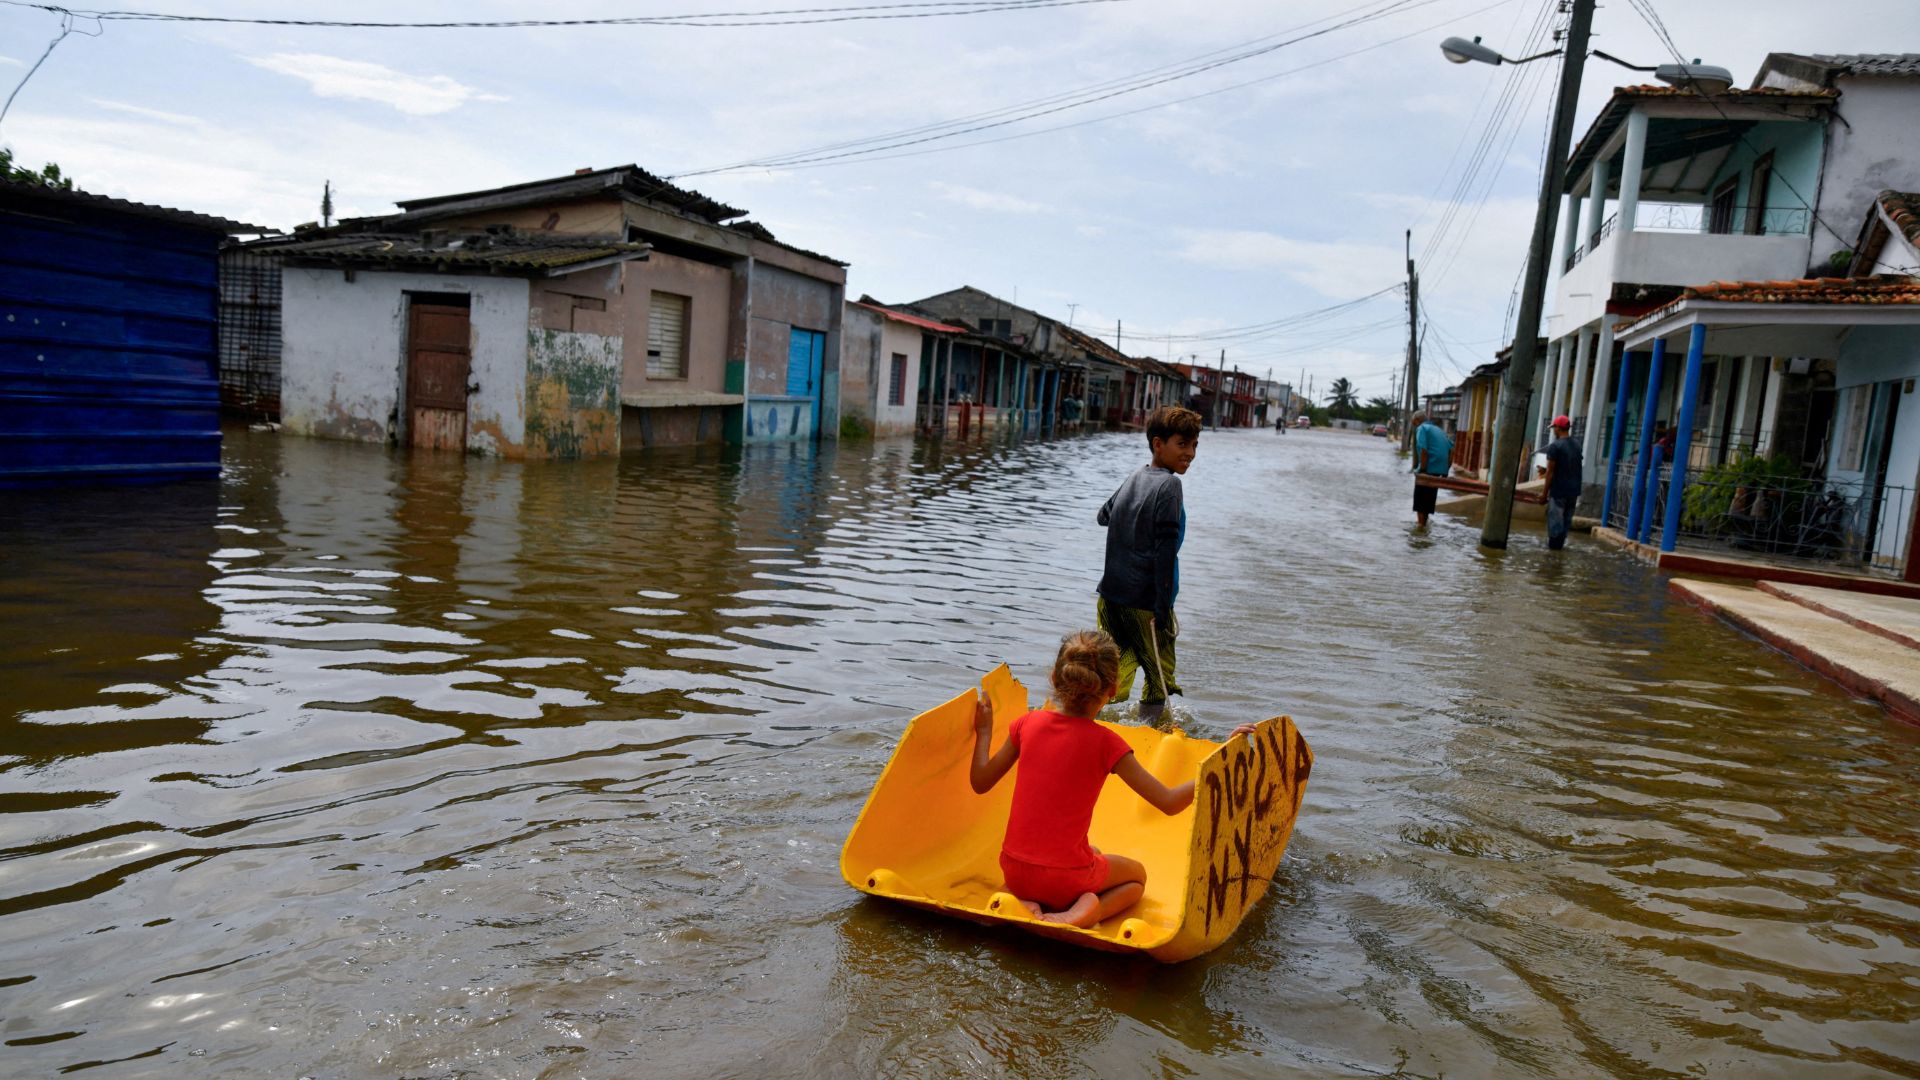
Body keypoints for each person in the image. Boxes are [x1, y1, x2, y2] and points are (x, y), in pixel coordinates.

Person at [970, 631, 1256, 927]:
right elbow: (1169, 803)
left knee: (1092, 852)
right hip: (1065, 879)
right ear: (1113, 690)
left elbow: (980, 782)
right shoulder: (1108, 744)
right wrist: (1219, 764)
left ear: (1055, 678)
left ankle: (1028, 900)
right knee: (1136, 878)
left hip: (1015, 873)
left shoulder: (1026, 725)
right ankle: (1087, 914)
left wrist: (985, 732)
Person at [1096, 405, 1201, 724]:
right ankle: (1149, 738)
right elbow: (1165, 552)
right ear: (1159, 444)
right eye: (1182, 444)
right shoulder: (1170, 486)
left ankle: (1093, 724)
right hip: (1147, 601)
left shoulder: (1135, 476)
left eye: (1195, 445)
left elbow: (1103, 516)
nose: (1191, 454)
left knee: (1114, 668)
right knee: (1159, 677)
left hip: (1110, 597)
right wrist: (1161, 610)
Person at [1540, 414, 1584, 550]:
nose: (1554, 430)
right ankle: (1559, 552)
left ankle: (1552, 555)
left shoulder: (1555, 446)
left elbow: (1550, 473)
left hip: (1559, 491)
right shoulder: (1577, 445)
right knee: (1565, 524)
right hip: (1574, 492)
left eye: (1554, 428)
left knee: (1555, 526)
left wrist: (1544, 494)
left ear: (1558, 428)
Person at [1411, 410, 1452, 528]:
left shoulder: (1422, 429)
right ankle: (1424, 525)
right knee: (1428, 500)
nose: (1414, 426)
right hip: (1439, 470)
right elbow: (1451, 451)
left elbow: (1424, 450)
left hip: (1428, 469)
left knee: (1420, 502)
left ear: (1417, 421)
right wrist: (1446, 470)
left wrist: (1422, 469)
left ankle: (1420, 527)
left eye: (1414, 423)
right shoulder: (1440, 430)